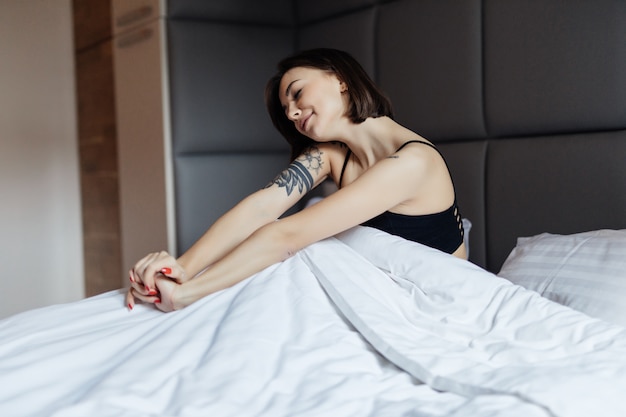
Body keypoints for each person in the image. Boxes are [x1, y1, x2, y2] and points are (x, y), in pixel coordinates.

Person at [126, 48, 466, 312]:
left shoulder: (414, 162)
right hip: (380, 286)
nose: (291, 113)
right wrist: (180, 269)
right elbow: (261, 208)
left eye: (297, 93)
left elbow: (286, 235)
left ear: (340, 79)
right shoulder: (333, 155)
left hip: (431, 300)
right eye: (287, 108)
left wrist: (186, 295)